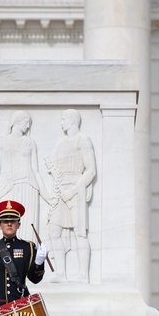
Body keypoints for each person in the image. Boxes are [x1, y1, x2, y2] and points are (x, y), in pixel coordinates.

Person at [44, 109, 97, 283]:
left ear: (73, 120)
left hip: (76, 190)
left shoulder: (83, 141)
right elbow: (57, 169)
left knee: (80, 233)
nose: (61, 123)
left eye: (64, 119)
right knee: (54, 230)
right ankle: (60, 273)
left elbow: (90, 171)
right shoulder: (60, 143)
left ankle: (83, 274)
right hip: (60, 190)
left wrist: (74, 190)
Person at [0, 111, 53, 237]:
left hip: (28, 187)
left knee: (28, 228)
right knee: (7, 223)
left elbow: (36, 171)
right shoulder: (2, 141)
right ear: (17, 122)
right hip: (8, 186)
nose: (28, 126)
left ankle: (29, 256)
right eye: (26, 122)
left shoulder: (30, 142)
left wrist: (47, 197)